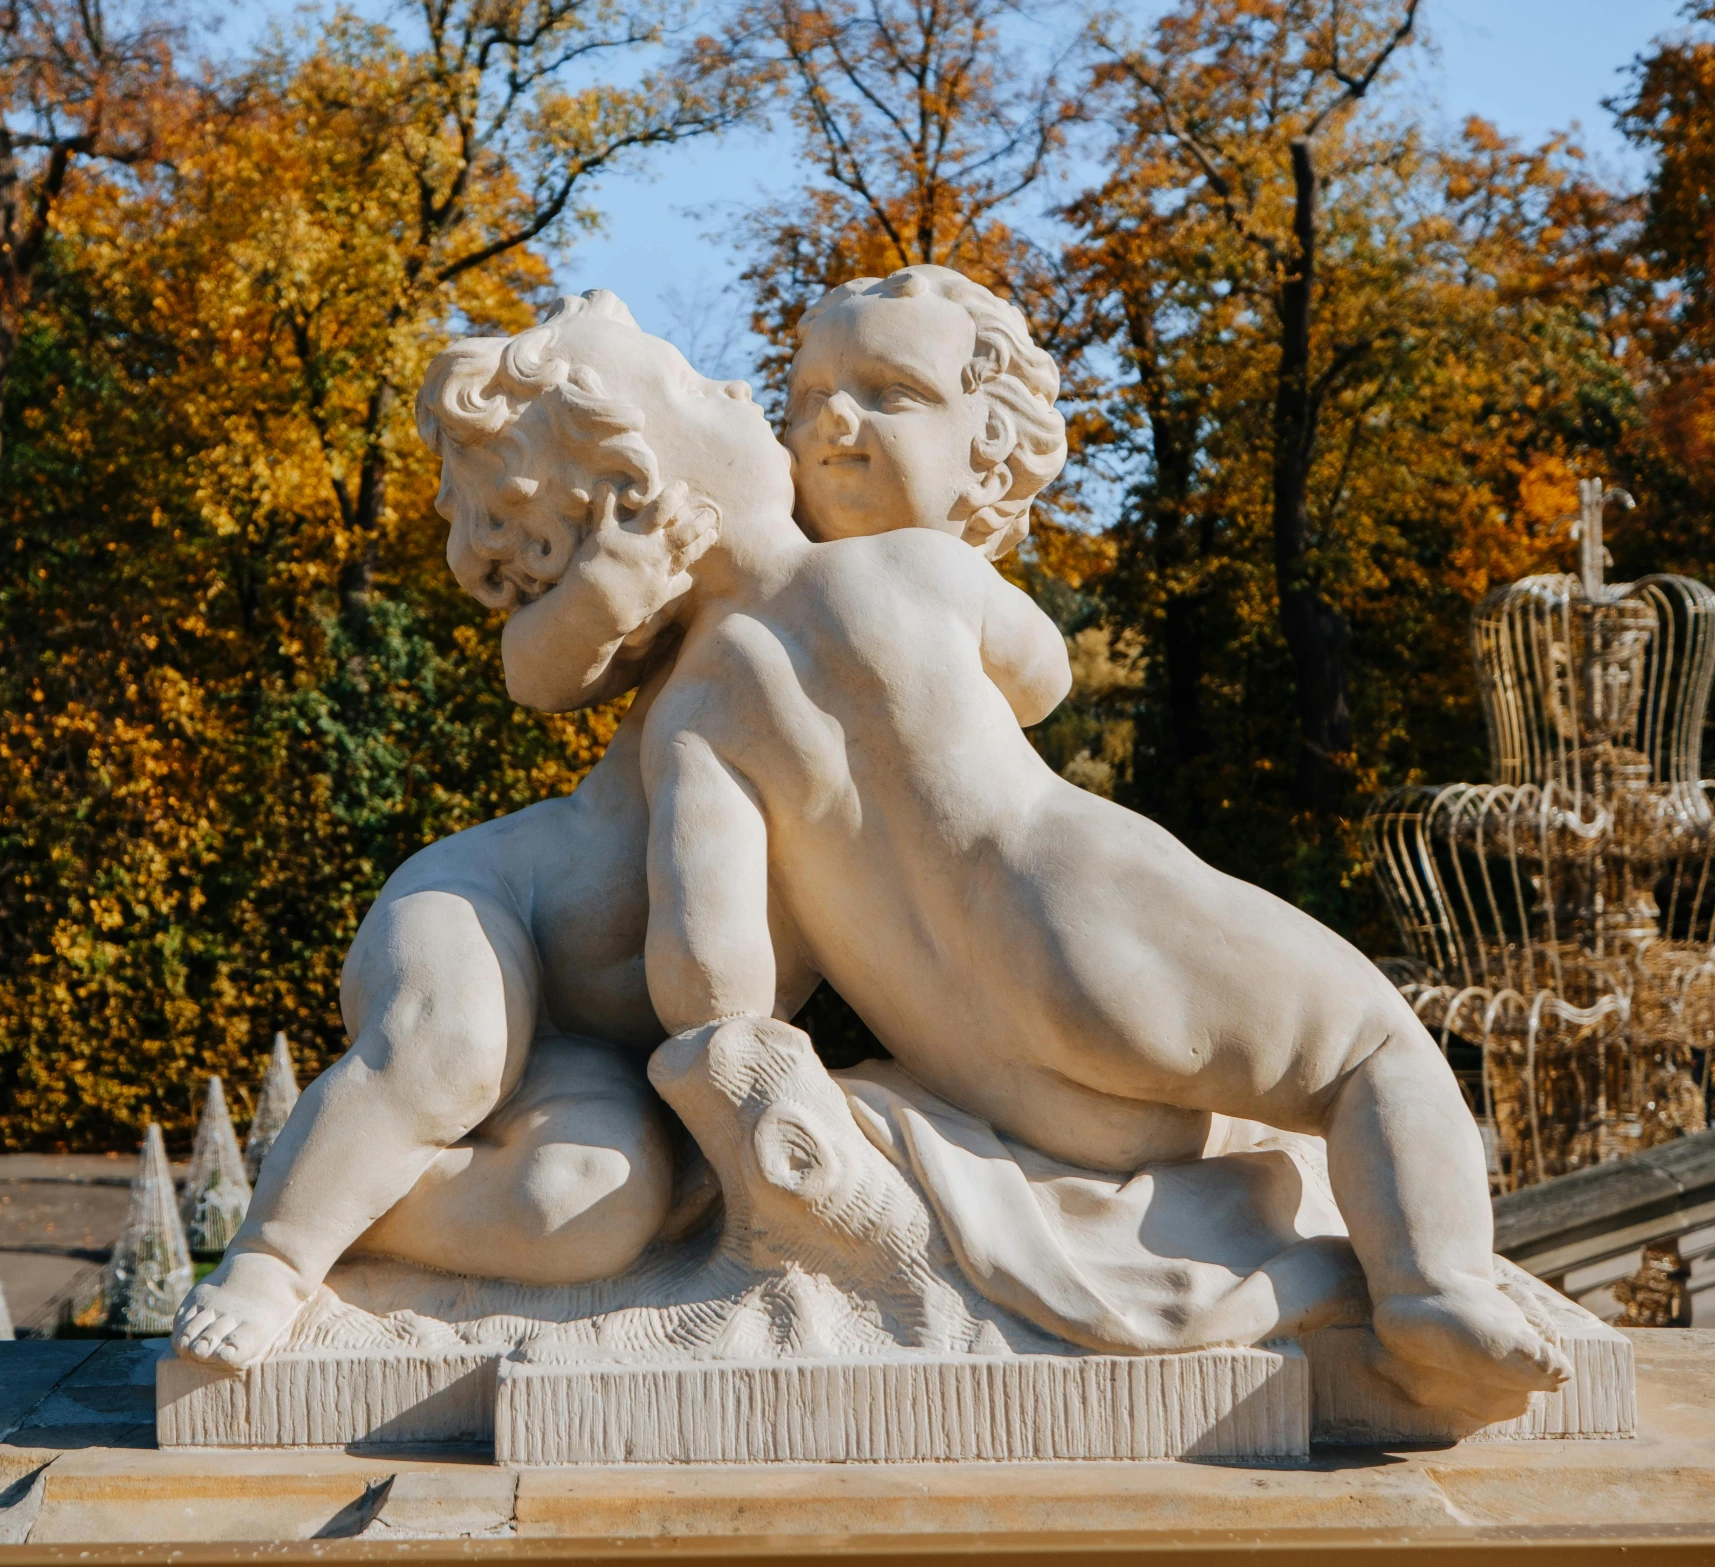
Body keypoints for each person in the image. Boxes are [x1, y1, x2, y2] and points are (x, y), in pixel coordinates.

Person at [406, 282, 1571, 1424]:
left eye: (884, 393)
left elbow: (709, 966)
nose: (825, 423)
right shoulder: (919, 572)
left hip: (974, 1063)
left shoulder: (690, 716)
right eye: (802, 397)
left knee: (1262, 1089)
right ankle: (1434, 1290)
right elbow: (1042, 674)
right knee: (1369, 1049)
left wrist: (739, 1056)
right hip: (1085, 918)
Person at [172, 273, 1071, 1370]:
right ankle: (275, 1251)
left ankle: (363, 1187)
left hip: (604, 1048)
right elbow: (531, 673)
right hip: (496, 911)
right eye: (719, 390)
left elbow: (1038, 689)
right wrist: (609, 582)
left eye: (889, 398)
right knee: (449, 1053)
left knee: (589, 1206)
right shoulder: (709, 571)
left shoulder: (901, 617)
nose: (754, 395)